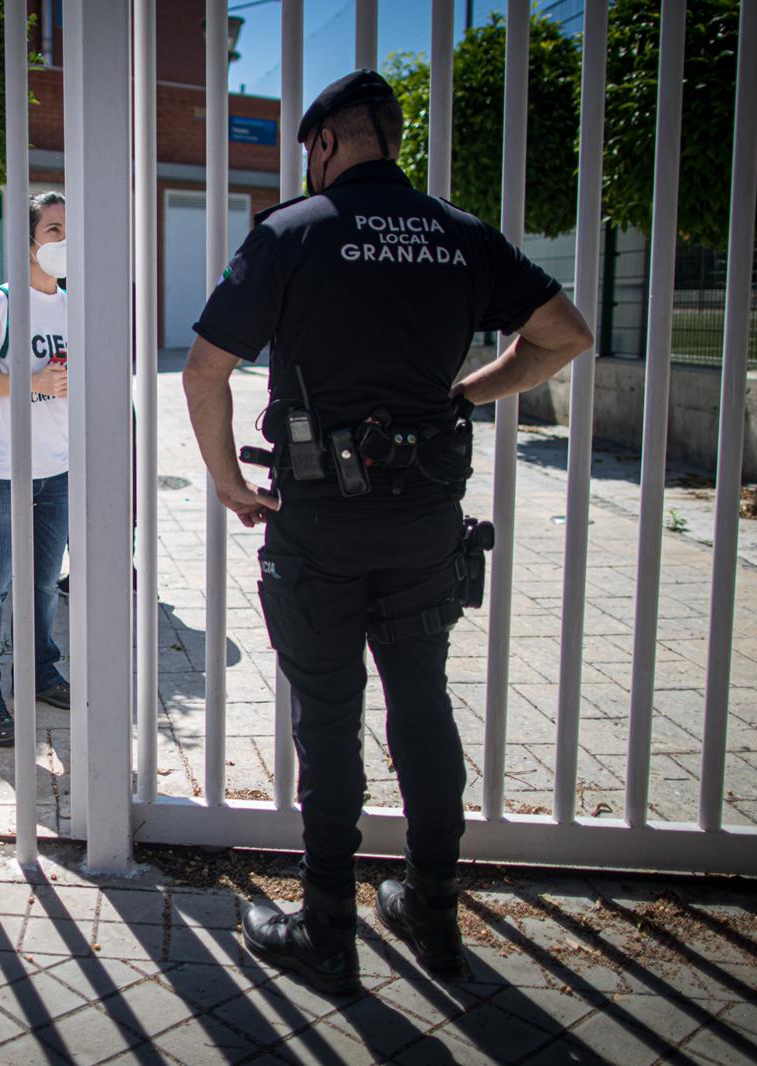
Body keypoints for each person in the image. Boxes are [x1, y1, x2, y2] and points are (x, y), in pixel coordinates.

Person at [183, 71, 592, 992]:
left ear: (326, 142)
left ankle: (327, 925)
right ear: (391, 140)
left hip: (317, 524)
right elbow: (565, 335)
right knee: (422, 707)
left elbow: (204, 371)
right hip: (422, 522)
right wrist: (466, 392)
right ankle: (431, 910)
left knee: (328, 717)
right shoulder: (459, 235)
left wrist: (230, 485)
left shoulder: (291, 233)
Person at [0, 191, 75, 747]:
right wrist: (31, 383)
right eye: (53, 230)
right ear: (27, 242)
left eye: (67, 230)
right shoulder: (2, 304)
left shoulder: (71, 304)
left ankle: (40, 673)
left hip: (56, 466)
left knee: (45, 583)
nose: (63, 241)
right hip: (1, 468)